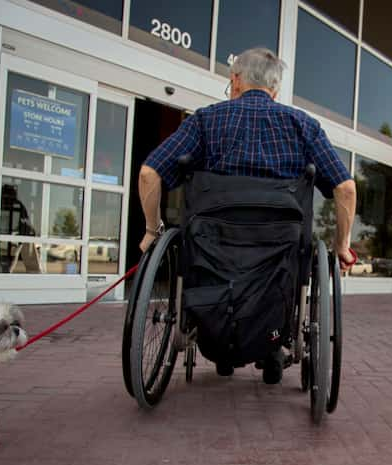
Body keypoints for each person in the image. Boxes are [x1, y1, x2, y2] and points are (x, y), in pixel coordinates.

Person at [137, 47, 357, 384]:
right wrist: (341, 245)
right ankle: (270, 346)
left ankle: (218, 340)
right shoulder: (303, 125)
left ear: (236, 80)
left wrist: (152, 231)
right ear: (275, 88)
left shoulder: (205, 120)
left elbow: (149, 174)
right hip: (279, 252)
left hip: (211, 247)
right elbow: (346, 189)